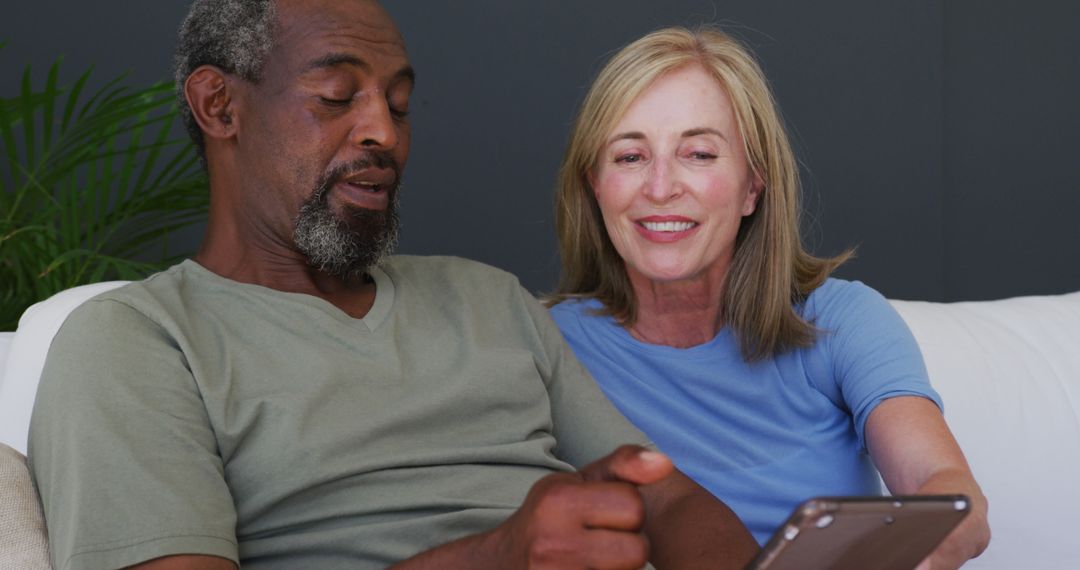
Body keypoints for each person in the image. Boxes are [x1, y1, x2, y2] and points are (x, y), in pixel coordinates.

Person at [27, 3, 759, 569]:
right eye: (338, 96)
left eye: (399, 104)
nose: (384, 130)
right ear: (220, 106)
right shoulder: (137, 342)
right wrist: (495, 556)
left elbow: (668, 496)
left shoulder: (489, 300)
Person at [547, 26, 991, 569]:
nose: (660, 187)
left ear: (753, 186)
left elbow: (945, 490)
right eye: (630, 157)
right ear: (595, 185)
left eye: (700, 153)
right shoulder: (547, 345)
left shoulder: (841, 319)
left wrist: (925, 547)